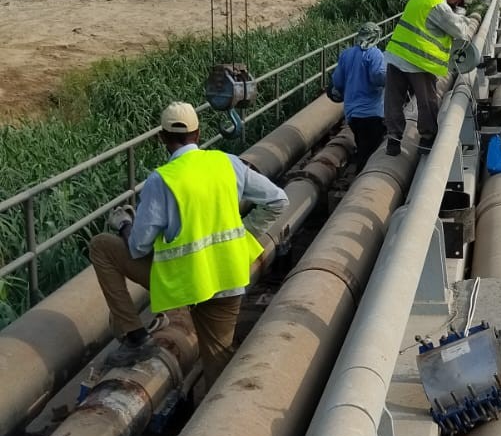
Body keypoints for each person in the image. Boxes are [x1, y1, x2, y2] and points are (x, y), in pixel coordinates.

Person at [89, 101, 288, 390]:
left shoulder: (162, 180)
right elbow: (279, 200)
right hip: (226, 280)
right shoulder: (227, 162)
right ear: (198, 133)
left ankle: (134, 336)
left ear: (162, 138)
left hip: (182, 285)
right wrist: (245, 233)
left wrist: (124, 225)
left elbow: (137, 248)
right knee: (218, 365)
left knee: (101, 246)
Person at [384, 0, 473, 154]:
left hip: (396, 56)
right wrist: (461, 14)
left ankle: (393, 141)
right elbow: (460, 31)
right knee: (427, 101)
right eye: (457, 1)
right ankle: (427, 140)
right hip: (419, 61)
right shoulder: (439, 6)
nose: (456, 4)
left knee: (393, 100)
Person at [329, 22, 387, 169]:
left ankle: (357, 175)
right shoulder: (375, 54)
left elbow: (337, 81)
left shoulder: (346, 54)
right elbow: (377, 76)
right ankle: (361, 179)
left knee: (362, 145)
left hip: (352, 114)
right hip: (372, 113)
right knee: (370, 154)